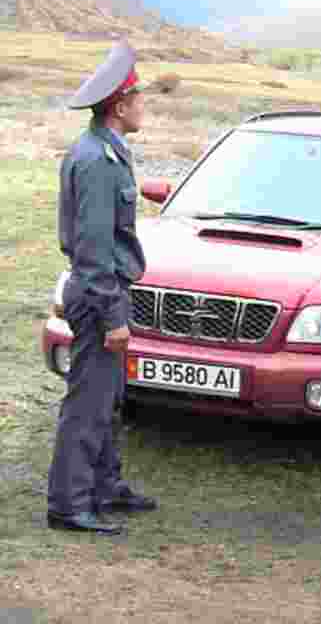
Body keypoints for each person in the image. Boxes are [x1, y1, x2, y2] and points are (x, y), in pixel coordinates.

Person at [47, 40, 156, 535]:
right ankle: (69, 505)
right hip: (98, 297)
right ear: (119, 106)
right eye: (138, 98)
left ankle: (104, 486)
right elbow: (93, 252)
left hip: (105, 291)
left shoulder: (107, 151)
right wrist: (113, 316)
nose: (143, 105)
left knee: (108, 397)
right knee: (88, 403)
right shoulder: (96, 160)